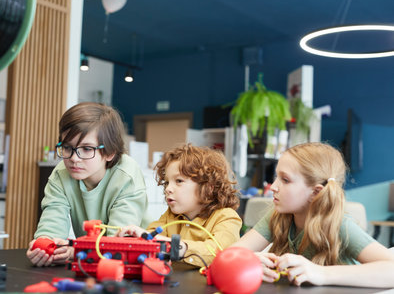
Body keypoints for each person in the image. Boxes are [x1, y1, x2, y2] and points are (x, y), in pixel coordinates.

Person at [233, 142, 394, 288]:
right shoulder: (278, 216)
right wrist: (248, 261)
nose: (273, 186)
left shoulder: (340, 226)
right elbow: (230, 254)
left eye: (285, 180)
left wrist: (321, 273)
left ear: (315, 192)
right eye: (276, 177)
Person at [26, 102, 148, 267]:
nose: (74, 158)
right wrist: (44, 245)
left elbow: (117, 243)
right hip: (91, 261)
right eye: (67, 147)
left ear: (110, 152)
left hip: (135, 262)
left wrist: (75, 252)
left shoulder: (127, 176)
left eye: (87, 149)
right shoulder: (60, 175)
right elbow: (51, 225)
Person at [117, 144, 242, 267]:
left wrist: (175, 247)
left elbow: (218, 251)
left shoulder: (227, 217)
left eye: (179, 181)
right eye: (167, 183)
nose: (168, 189)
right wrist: (137, 237)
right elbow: (151, 237)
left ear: (208, 187)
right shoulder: (170, 216)